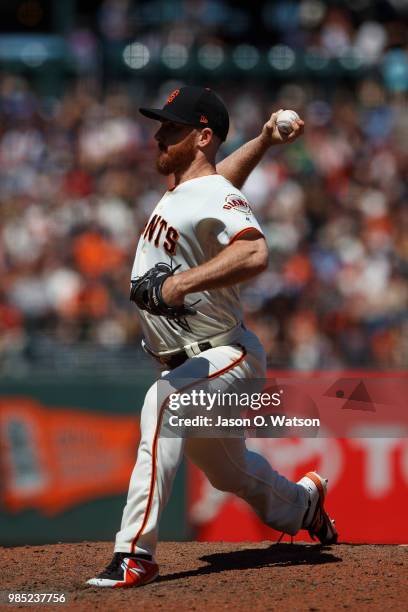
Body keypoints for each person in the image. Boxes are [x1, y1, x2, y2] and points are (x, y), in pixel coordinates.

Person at [87, 86, 337, 588]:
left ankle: (135, 554)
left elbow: (255, 254)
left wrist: (177, 284)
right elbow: (221, 185)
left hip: (226, 355)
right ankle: (304, 504)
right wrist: (264, 140)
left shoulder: (209, 191)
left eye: (172, 128)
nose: (159, 134)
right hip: (193, 361)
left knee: (162, 404)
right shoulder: (195, 188)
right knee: (229, 472)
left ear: (202, 136)